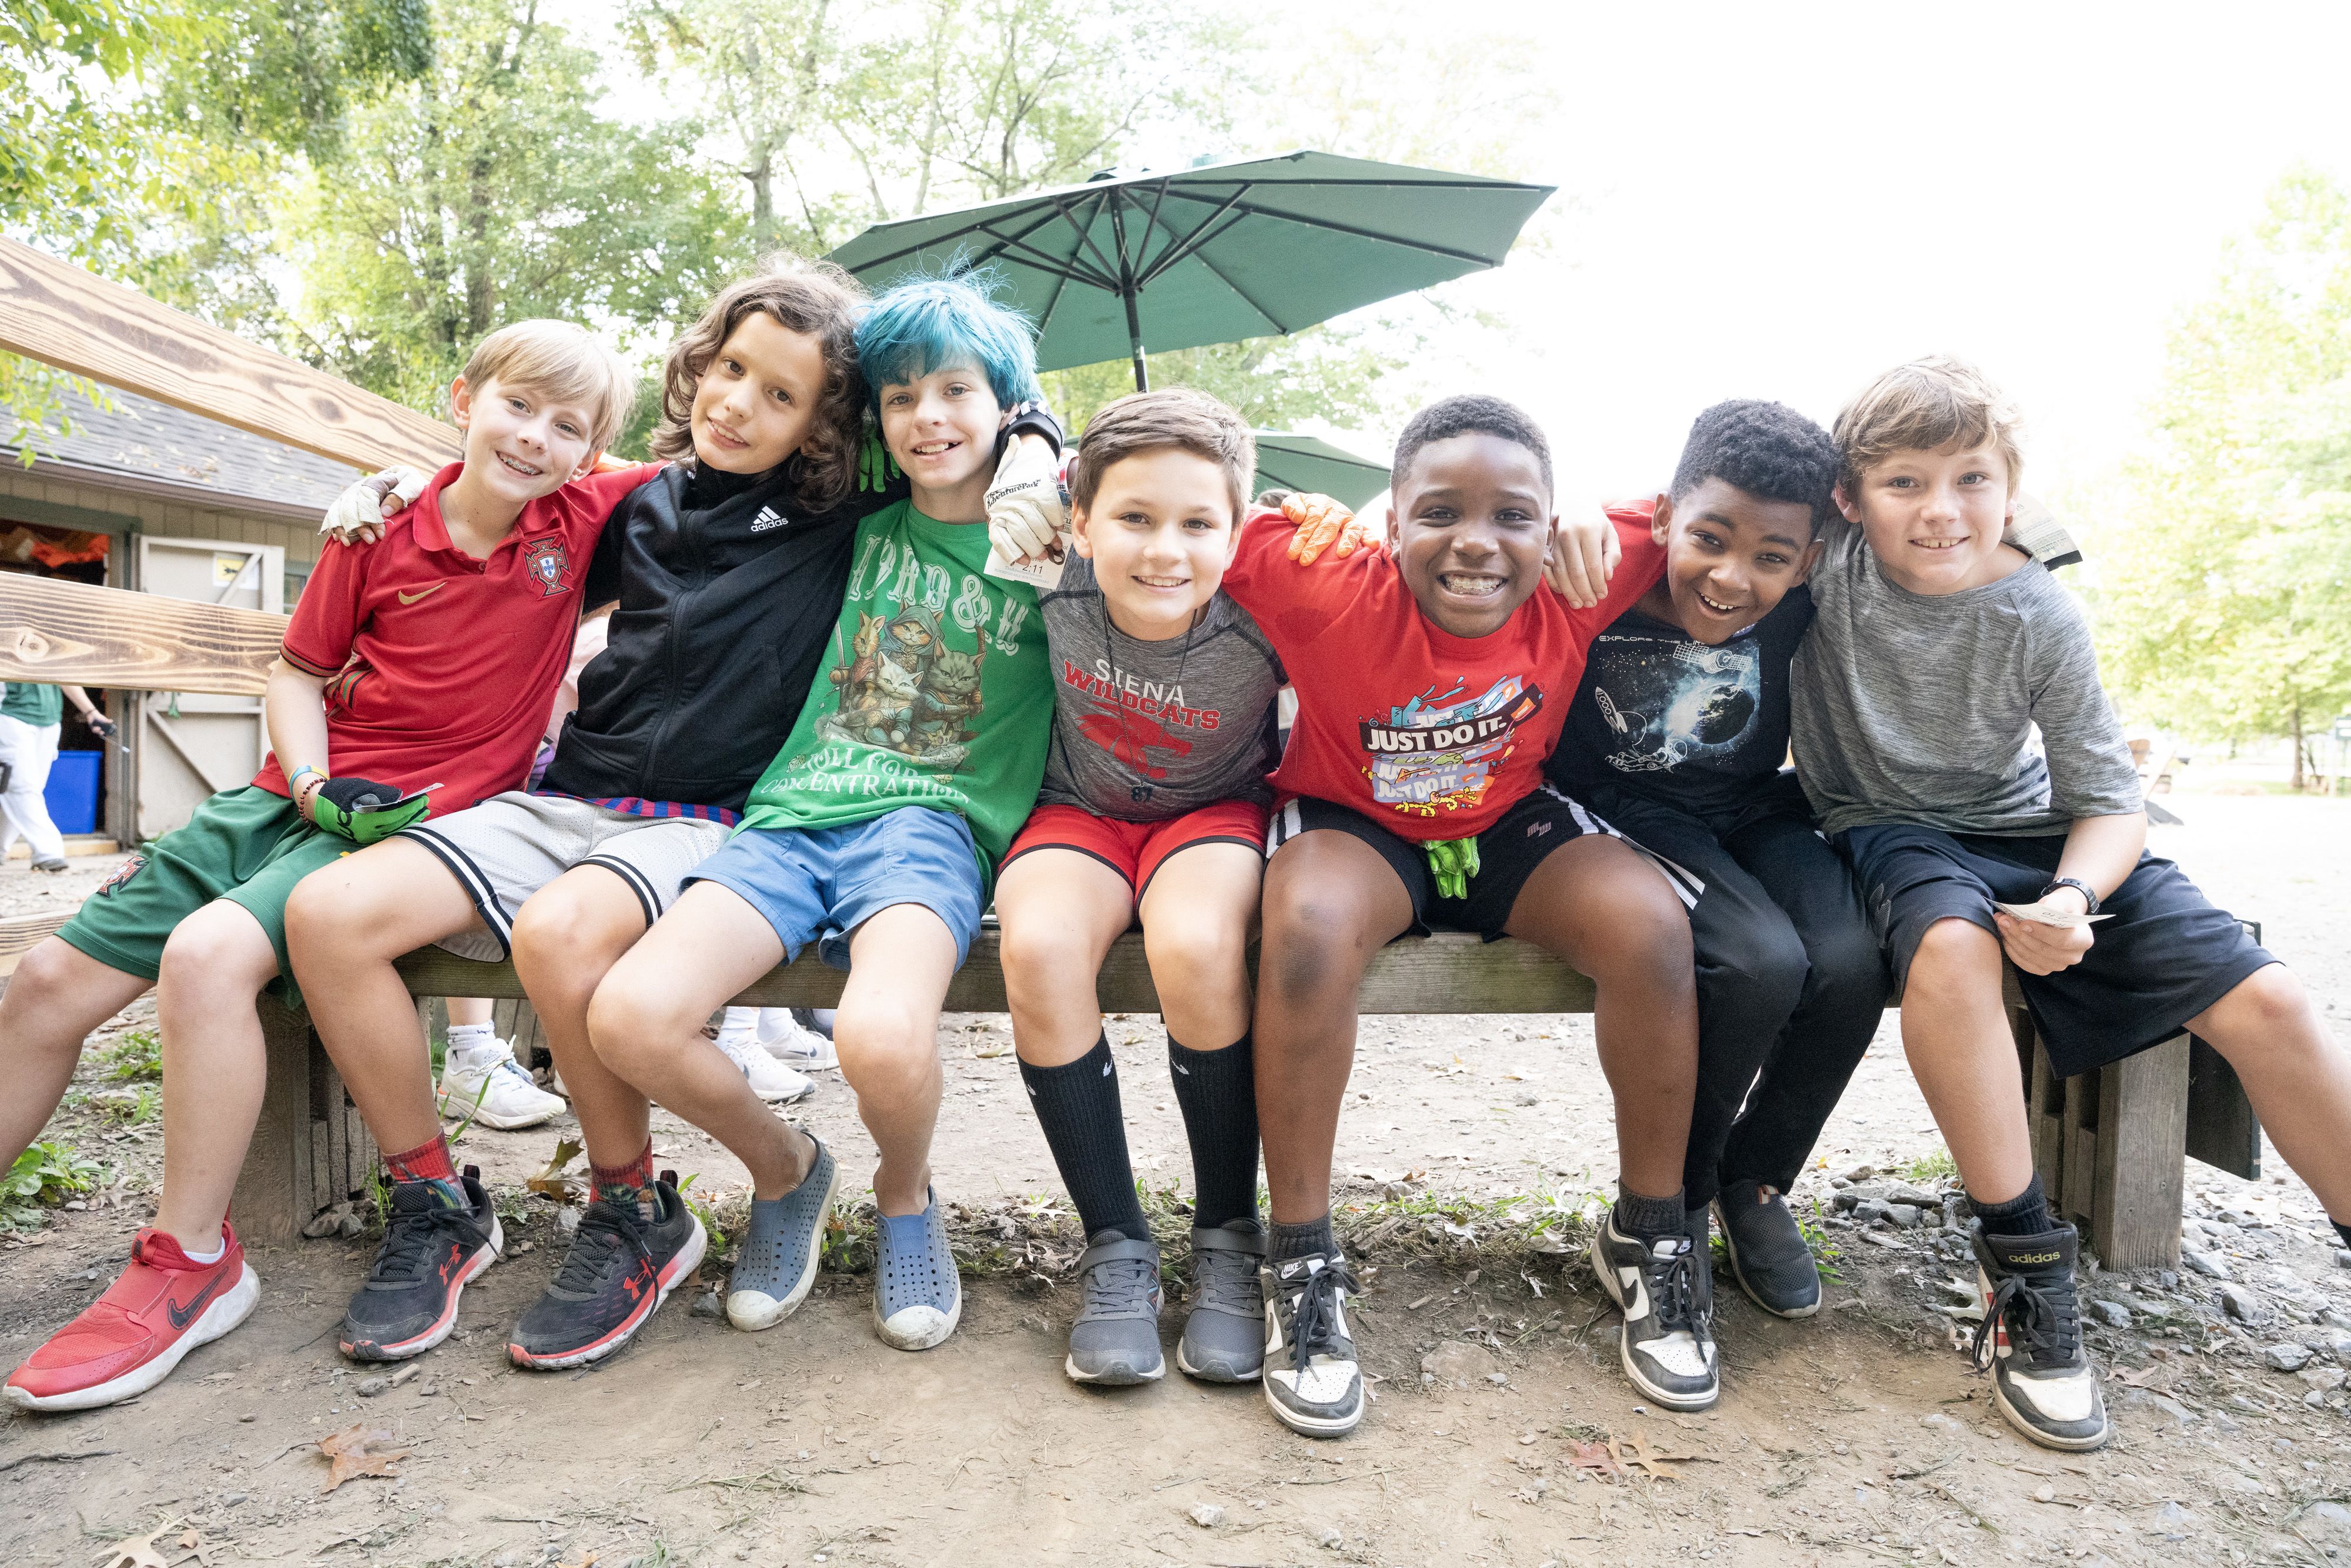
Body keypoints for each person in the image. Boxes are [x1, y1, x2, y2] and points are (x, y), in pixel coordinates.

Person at [285, 258, 1064, 1371]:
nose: (740, 402)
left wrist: (1034, 428)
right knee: (327, 914)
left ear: (826, 428)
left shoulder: (849, 507)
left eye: (784, 395)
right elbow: (511, 482)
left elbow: (967, 427)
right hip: (590, 793)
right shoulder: (633, 499)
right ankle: (435, 1201)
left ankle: (657, 1205)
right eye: (731, 369)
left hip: (728, 816)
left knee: (569, 940)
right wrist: (405, 483)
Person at [2, 319, 642, 1412]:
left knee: (209, 956)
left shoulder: (581, 517)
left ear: (590, 454)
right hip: (291, 797)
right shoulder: (375, 528)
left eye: (567, 425)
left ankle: (193, 1258)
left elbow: (728, 451)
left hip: (408, 824)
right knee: (43, 984)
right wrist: (306, 783)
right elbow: (297, 673)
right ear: (463, 397)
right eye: (517, 405)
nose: (536, 436)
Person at [1793, 354, 2351, 1450]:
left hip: (2046, 834)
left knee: (2272, 1003)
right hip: (1890, 826)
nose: (1941, 510)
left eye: (1970, 478)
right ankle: (2028, 1268)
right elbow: (1696, 519)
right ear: (1851, 502)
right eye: (1905, 483)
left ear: (2011, 487)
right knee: (1952, 951)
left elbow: (2111, 802)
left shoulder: (2040, 611)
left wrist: (2072, 894)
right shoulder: (1827, 566)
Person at [552, 271, 1056, 1364]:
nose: (930, 417)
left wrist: (1045, 444)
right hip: (786, 816)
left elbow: (1186, 515)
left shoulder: (1050, 539)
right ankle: (787, 1169)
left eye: (959, 393)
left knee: (879, 1036)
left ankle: (906, 1196)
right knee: (631, 1014)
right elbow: (760, 424)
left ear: (1005, 407)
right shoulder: (859, 508)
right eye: (903, 396)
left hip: (929, 826)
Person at [1221, 394, 1704, 1436]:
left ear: (1553, 523)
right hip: (1359, 819)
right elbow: (1174, 490)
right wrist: (1043, 478)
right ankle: (1301, 1256)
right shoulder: (1320, 571)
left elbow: (1735, 503)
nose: (1477, 542)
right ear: (1389, 522)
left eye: (1514, 516)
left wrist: (2021, 535)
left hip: (1506, 821)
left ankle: (1651, 1236)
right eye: (1439, 512)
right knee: (1303, 927)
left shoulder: (1590, 562)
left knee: (1652, 925)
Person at [1545, 400, 1886, 1322]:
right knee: (1759, 959)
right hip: (1622, 805)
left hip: (1751, 804)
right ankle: (1672, 1204)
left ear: (1808, 558)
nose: (1734, 577)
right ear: (1665, 519)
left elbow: (1947, 528)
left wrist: (2007, 518)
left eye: (1772, 559)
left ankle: (1755, 1183)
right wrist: (1568, 503)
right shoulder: (1603, 565)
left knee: (1854, 960)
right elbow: (1486, 519)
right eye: (1709, 540)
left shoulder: (1817, 572)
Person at [993, 388, 1281, 1386]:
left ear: (1239, 529)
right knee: (1033, 947)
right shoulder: (1041, 564)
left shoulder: (1270, 594)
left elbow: (1383, 570)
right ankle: (1116, 1244)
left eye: (1199, 523)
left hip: (1214, 811)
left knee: (1198, 944)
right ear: (1080, 520)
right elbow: (936, 446)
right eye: (1134, 518)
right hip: (1078, 809)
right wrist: (1027, 449)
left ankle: (1228, 1238)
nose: (1166, 550)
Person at [0, 681, 112, 873]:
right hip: (9, 716)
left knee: (26, 791)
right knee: (21, 787)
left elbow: (63, 676)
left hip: (49, 719)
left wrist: (91, 712)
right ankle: (48, 853)